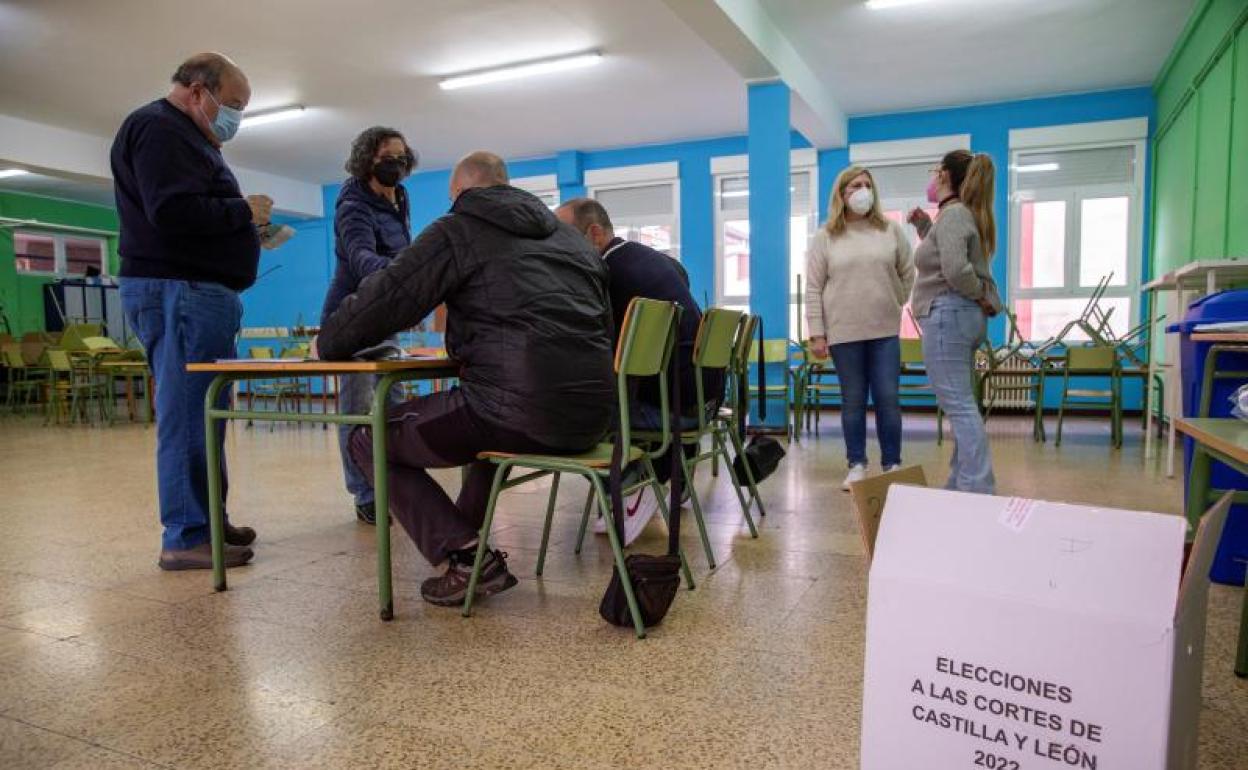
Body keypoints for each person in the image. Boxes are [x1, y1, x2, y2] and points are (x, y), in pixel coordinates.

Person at [315, 151, 615, 607]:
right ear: (507, 185)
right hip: (594, 416)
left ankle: (462, 556)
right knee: (483, 436)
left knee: (368, 439)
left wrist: (328, 341)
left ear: (460, 193)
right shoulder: (573, 242)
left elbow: (389, 297)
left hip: (518, 413)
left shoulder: (458, 229)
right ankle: (464, 538)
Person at [111, 52, 272, 570]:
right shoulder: (159, 128)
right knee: (186, 417)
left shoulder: (193, 138)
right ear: (199, 92)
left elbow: (189, 209)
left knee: (206, 417)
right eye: (234, 105)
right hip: (176, 292)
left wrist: (242, 231)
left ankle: (208, 521)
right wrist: (241, 212)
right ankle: (184, 536)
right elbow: (173, 212)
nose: (237, 118)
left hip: (196, 292)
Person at [556, 198, 723, 544]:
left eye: (565, 238)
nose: (560, 248)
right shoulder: (646, 259)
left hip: (673, 408)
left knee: (565, 416)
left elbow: (598, 354)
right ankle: (668, 483)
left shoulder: (612, 274)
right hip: (701, 400)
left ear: (595, 233)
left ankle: (630, 489)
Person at [321, 127, 419, 525]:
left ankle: (392, 484)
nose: (394, 162)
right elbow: (362, 260)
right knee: (359, 409)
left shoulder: (400, 197)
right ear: (367, 160)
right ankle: (364, 493)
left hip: (384, 312)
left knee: (392, 407)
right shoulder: (352, 206)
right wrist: (412, 272)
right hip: (350, 316)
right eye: (385, 157)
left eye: (399, 155)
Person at [806, 166, 915, 490]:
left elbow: (907, 273)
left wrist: (896, 300)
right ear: (842, 193)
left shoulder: (890, 231)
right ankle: (856, 464)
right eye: (856, 185)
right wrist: (817, 333)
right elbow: (813, 288)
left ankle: (892, 464)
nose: (863, 190)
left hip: (884, 331)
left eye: (868, 184)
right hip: (843, 333)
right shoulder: (825, 236)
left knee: (887, 398)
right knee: (853, 400)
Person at [908, 150, 1002, 494]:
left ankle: (977, 489)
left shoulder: (955, 214)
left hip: (947, 315)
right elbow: (943, 254)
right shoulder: (959, 215)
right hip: (959, 317)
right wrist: (923, 228)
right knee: (963, 404)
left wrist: (978, 294)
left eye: (936, 172)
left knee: (960, 407)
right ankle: (960, 483)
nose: (932, 179)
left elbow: (955, 270)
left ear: (945, 176)